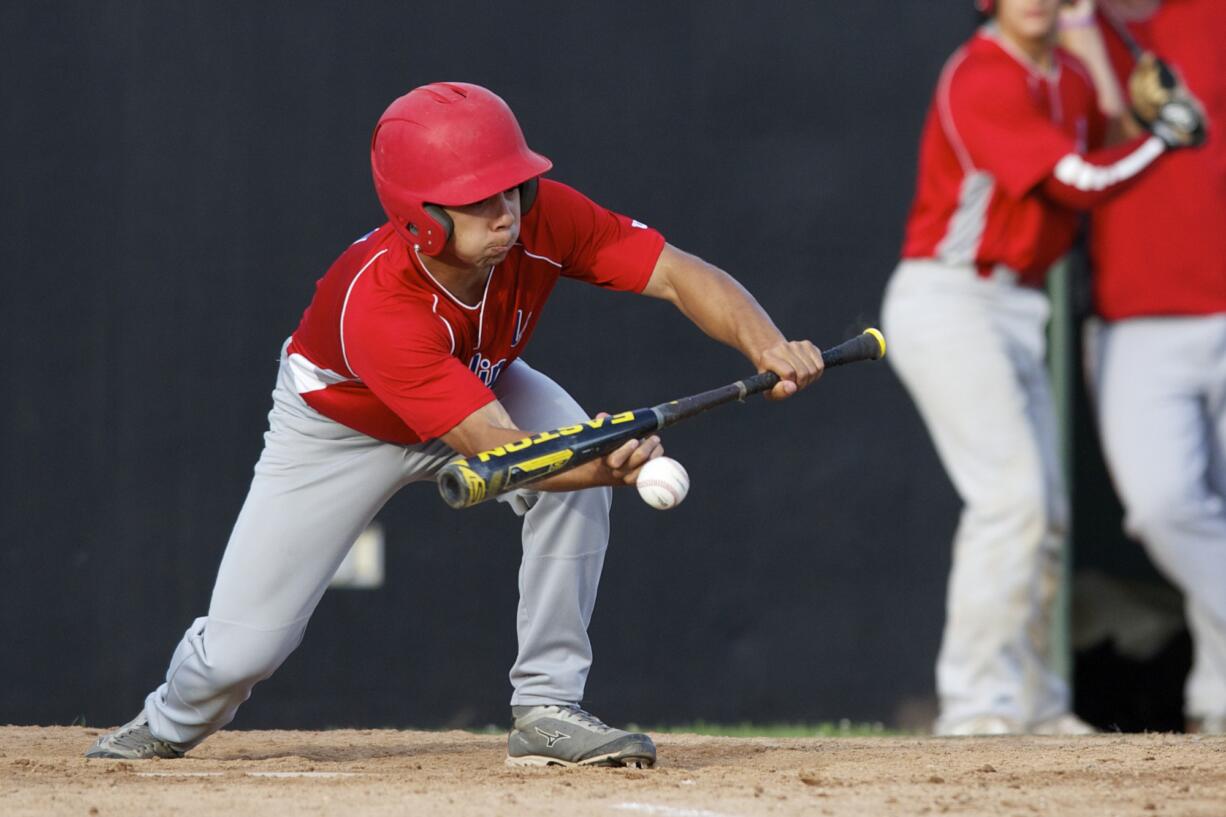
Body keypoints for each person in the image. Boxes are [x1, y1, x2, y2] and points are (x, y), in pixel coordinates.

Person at [83, 82, 824, 767]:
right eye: (475, 198)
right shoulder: (380, 308)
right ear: (421, 218)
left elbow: (675, 271)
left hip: (481, 385)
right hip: (341, 426)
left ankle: (547, 706)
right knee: (243, 654)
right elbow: (504, 454)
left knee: (576, 471)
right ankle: (165, 722)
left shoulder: (538, 218)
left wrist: (767, 344)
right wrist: (606, 460)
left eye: (510, 185)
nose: (504, 209)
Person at [880, 0, 1203, 735]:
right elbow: (1079, 183)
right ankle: (976, 705)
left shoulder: (1069, 77)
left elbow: (1108, 133)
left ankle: (1035, 702)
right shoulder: (980, 75)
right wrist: (1161, 139)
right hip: (950, 298)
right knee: (1012, 501)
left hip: (1014, 307)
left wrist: (1146, 114)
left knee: (1047, 515)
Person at [1060, 0, 1226, 734]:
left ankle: (1217, 705)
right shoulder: (1066, 30)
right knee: (1163, 507)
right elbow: (1106, 124)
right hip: (1135, 316)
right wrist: (1084, 31)